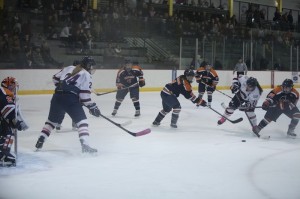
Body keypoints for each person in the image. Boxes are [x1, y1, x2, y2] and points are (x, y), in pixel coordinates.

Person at [35, 56, 100, 153]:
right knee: (82, 122)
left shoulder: (69, 68)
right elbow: (85, 97)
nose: (92, 69)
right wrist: (93, 107)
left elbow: (55, 79)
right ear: (88, 66)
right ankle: (85, 145)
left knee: (51, 121)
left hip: (56, 97)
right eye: (92, 66)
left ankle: (41, 139)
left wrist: (65, 88)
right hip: (70, 99)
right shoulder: (86, 75)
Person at [0, 77, 28, 166]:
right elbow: (8, 110)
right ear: (8, 86)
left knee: (5, 125)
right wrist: (17, 123)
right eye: (13, 86)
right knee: (9, 130)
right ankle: (3, 154)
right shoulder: (5, 93)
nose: (15, 89)